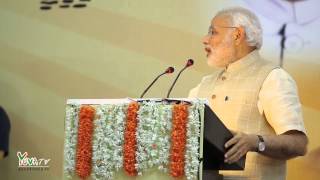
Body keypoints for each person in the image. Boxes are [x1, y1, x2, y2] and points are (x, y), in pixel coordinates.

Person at [188, 7, 308, 180]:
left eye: (213, 32)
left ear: (237, 35)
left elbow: (298, 144)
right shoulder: (204, 84)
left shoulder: (272, 78)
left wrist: (255, 142)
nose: (205, 39)